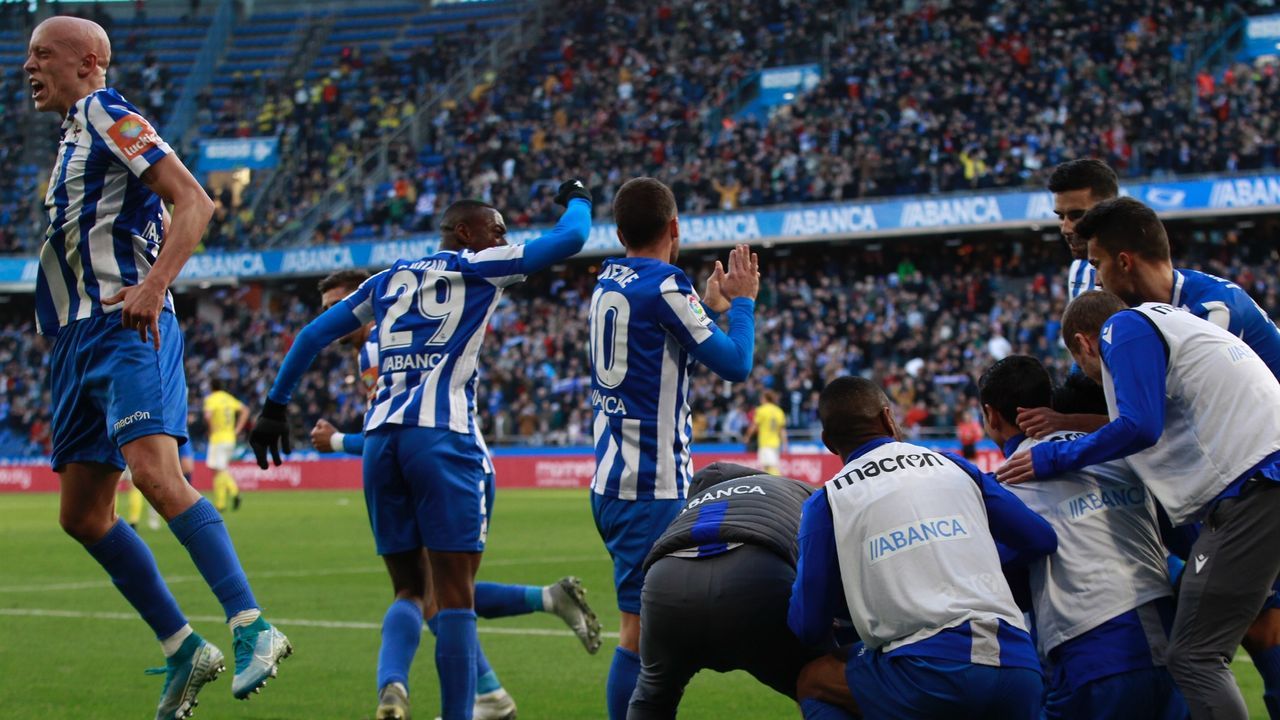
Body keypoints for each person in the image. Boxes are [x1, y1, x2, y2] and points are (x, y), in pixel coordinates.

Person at [25, 16, 289, 719]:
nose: (29, 66)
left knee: (154, 472)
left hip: (126, 322)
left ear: (89, 62)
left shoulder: (109, 113)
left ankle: (251, 625)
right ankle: (182, 648)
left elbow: (194, 201)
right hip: (78, 340)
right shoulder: (72, 138)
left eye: (42, 54)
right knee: (83, 516)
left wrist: (152, 285)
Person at [250, 183, 592, 720]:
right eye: (496, 229)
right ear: (466, 232)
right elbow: (572, 237)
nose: (503, 237)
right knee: (455, 598)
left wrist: (275, 406)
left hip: (382, 442)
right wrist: (578, 196)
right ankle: (470, 706)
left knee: (410, 590)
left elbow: (312, 335)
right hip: (444, 439)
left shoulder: (386, 281)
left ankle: (395, 686)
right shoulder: (481, 266)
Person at [306, 269, 603, 720]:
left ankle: (446, 691)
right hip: (449, 460)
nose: (330, 316)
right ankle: (494, 686)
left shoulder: (376, 348)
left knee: (430, 594)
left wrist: (336, 443)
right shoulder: (392, 339)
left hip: (453, 465)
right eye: (325, 309)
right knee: (439, 595)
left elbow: (386, 433)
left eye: (338, 306)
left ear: (365, 303)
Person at [1031, 196, 1280, 717]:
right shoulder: (1182, 318)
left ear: (1123, 261)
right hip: (1260, 481)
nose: (1095, 278)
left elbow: (1139, 427)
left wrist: (1053, 458)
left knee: (1193, 654)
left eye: (1097, 264)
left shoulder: (1126, 326)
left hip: (1256, 489)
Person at [586, 177, 758, 720]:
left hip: (614, 479)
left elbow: (662, 344)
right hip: (648, 487)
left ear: (618, 232)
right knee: (640, 637)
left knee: (655, 631)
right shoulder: (665, 284)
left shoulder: (607, 280)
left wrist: (705, 308)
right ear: (675, 227)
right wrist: (744, 304)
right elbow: (736, 364)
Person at [789, 376, 1055, 720]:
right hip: (1017, 665)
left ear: (828, 442)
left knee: (813, 680)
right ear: (888, 418)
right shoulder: (954, 464)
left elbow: (809, 626)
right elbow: (1040, 539)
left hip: (928, 674)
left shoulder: (827, 501)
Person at [978, 355, 1185, 719]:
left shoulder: (1008, 484)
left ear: (992, 415)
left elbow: (1002, 574)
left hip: (1093, 645)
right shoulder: (1118, 452)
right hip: (1169, 633)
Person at [627, 461, 827, 719]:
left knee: (652, 698)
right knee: (822, 682)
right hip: (757, 577)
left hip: (666, 584)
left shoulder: (690, 508)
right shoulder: (791, 487)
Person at [203, 378, 248, 512]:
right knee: (220, 469)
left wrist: (211, 430)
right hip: (230, 437)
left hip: (218, 438)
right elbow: (245, 410)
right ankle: (221, 503)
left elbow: (207, 415)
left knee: (218, 469)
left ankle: (233, 492)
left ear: (211, 387)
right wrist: (238, 429)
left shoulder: (211, 399)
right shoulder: (229, 398)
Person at [743, 390, 786, 475]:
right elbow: (782, 430)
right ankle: (771, 485)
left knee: (770, 467)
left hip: (765, 442)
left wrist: (747, 437)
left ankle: (779, 482)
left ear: (764, 399)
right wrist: (785, 443)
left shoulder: (761, 410)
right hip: (776, 443)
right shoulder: (778, 411)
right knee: (767, 467)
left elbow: (754, 425)